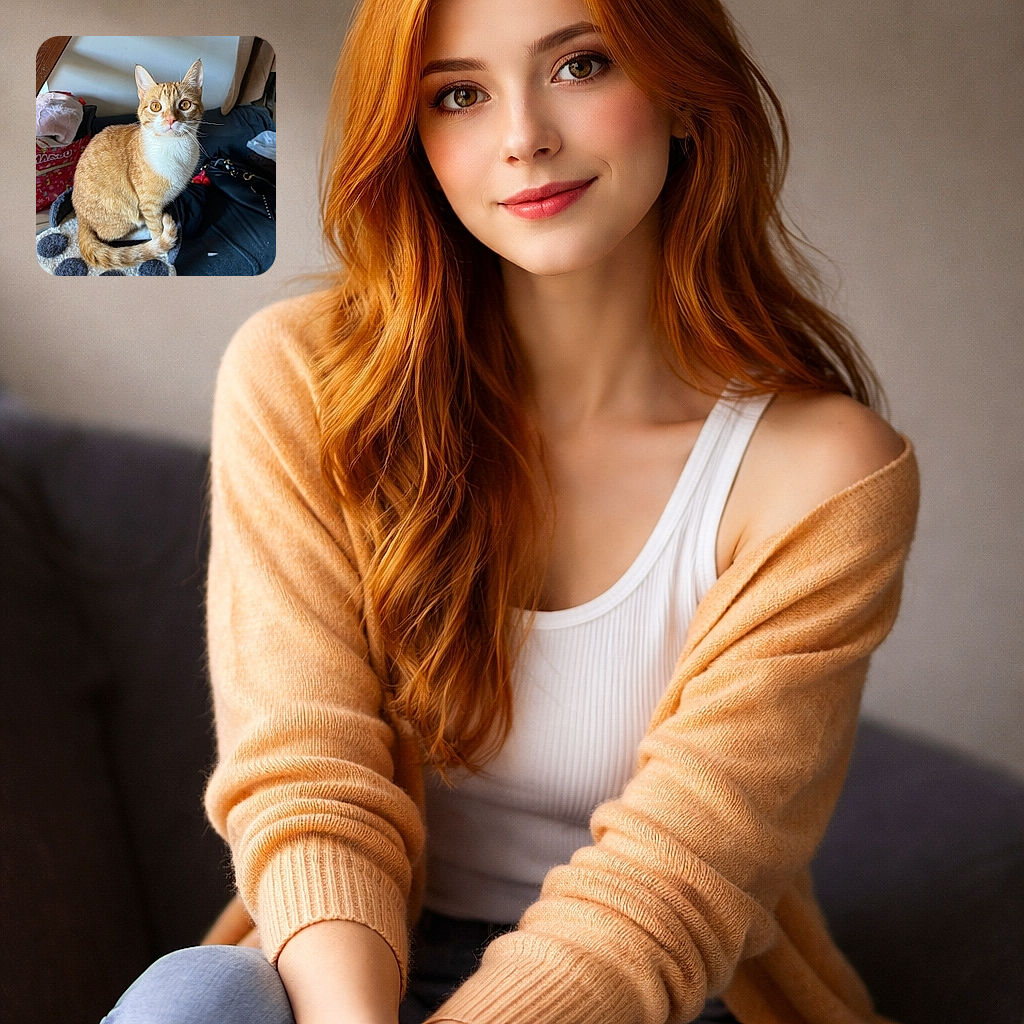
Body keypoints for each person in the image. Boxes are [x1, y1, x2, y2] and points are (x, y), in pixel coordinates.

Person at [102, 0, 918, 1021]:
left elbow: (667, 892)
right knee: (195, 1000)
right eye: (458, 94)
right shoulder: (301, 381)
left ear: (682, 93)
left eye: (579, 67)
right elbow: (307, 780)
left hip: (649, 992)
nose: (523, 136)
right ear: (415, 141)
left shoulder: (822, 471)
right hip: (347, 969)